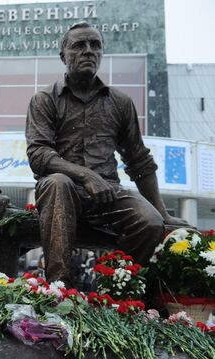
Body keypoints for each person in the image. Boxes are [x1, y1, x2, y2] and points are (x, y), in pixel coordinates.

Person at [25, 21, 188, 286]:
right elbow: (39, 154)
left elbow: (138, 159)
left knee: (150, 223)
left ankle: (112, 290)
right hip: (63, 192)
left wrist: (162, 213)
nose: (88, 51)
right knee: (57, 182)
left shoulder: (120, 103)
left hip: (108, 193)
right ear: (63, 56)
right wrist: (86, 175)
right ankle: (58, 289)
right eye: (79, 45)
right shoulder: (45, 99)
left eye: (95, 45)